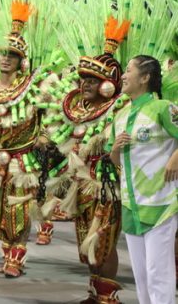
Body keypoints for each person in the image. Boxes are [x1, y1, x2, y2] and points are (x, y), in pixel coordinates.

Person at [0, 1, 59, 278]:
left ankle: (17, 256)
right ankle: (7, 252)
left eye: (13, 56)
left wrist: (44, 137)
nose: (7, 59)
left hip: (23, 158)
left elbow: (50, 116)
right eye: (3, 54)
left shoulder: (34, 86)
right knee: (0, 209)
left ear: (22, 61)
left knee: (19, 208)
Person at [48, 16, 130, 303]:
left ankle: (107, 297)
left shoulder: (121, 109)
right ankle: (95, 293)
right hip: (80, 184)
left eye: (93, 80)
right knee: (86, 241)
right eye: (83, 79)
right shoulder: (78, 110)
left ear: (108, 85)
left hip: (107, 185)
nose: (85, 84)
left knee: (103, 242)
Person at [109, 55, 178, 304]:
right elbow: (115, 160)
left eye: (128, 70)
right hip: (131, 205)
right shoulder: (120, 115)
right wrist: (115, 149)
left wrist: (174, 159)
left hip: (160, 204)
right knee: (141, 275)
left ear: (145, 77)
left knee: (158, 273)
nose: (123, 76)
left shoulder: (163, 108)